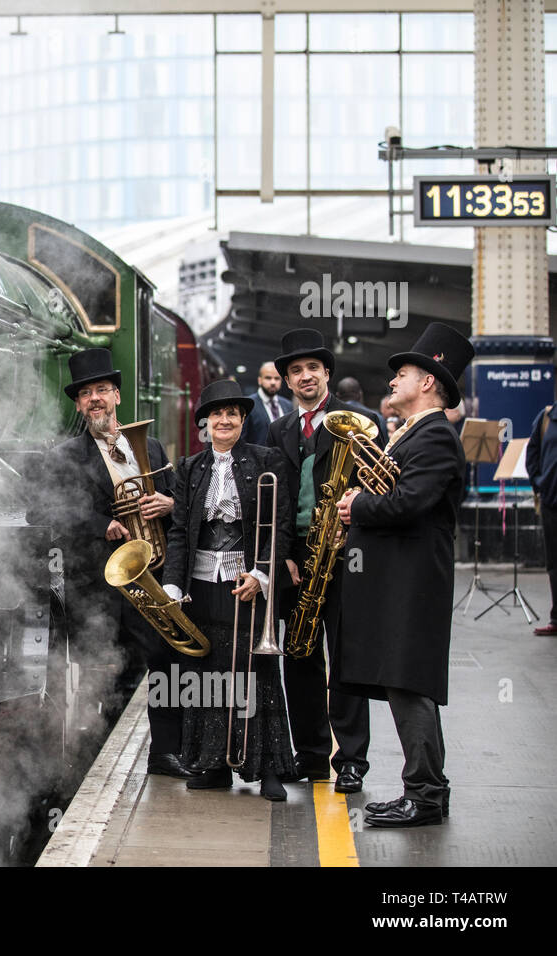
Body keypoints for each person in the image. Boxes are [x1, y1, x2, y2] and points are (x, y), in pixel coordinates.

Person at [336, 321, 475, 827]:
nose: (392, 381)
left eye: (404, 373)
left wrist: (358, 506)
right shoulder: (411, 433)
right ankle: (423, 790)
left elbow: (410, 502)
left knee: (410, 683)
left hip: (413, 585)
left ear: (429, 383)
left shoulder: (436, 436)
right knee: (401, 683)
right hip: (397, 581)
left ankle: (426, 795)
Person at [25, 348, 189, 775]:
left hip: (150, 579)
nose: (95, 399)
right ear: (78, 404)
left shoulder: (149, 445)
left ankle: (165, 752)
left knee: (164, 666)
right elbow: (39, 515)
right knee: (100, 675)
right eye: (86, 394)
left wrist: (168, 504)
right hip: (98, 589)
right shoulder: (64, 456)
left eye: (102, 390)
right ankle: (96, 759)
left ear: (117, 395)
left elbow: (180, 505)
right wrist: (102, 524)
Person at [160, 379, 295, 800]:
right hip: (202, 586)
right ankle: (214, 763)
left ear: (241, 421)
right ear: (205, 422)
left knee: (258, 671)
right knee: (210, 673)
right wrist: (171, 584)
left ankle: (268, 767)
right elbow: (181, 531)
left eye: (232, 414)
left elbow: (282, 526)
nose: (224, 420)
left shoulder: (267, 459)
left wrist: (263, 575)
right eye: (216, 414)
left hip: (248, 584)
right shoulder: (189, 468)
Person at [264, 329, 379, 794]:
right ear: (287, 380)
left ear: (326, 374)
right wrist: (286, 556)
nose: (305, 376)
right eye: (295, 371)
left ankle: (351, 759)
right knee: (301, 656)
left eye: (313, 368)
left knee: (347, 657)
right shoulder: (279, 430)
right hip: (299, 559)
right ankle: (310, 754)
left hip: (346, 556)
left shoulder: (362, 421)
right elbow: (279, 498)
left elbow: (381, 487)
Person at [526, 402, 557, 637]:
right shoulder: (547, 416)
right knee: (554, 563)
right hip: (551, 502)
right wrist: (540, 484)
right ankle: (556, 618)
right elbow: (532, 454)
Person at [244, 362, 291, 446]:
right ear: (259, 380)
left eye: (277, 378)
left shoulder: (288, 405)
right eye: (268, 378)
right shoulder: (248, 404)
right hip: (256, 458)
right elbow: (242, 440)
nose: (273, 382)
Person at [334, 376, 389, 448]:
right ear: (360, 394)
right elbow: (384, 446)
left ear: (337, 395)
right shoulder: (376, 417)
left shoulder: (331, 417)